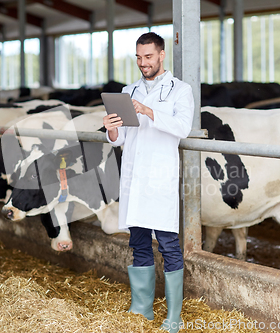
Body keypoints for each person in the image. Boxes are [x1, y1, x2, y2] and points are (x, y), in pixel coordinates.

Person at [103, 32, 194, 333]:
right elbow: (121, 140)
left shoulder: (181, 90)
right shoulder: (128, 91)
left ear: (162, 55)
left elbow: (182, 128)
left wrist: (148, 111)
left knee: (168, 245)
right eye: (139, 58)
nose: (143, 63)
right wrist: (112, 129)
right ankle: (141, 309)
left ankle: (174, 316)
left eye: (149, 57)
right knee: (139, 242)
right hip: (134, 178)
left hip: (160, 179)